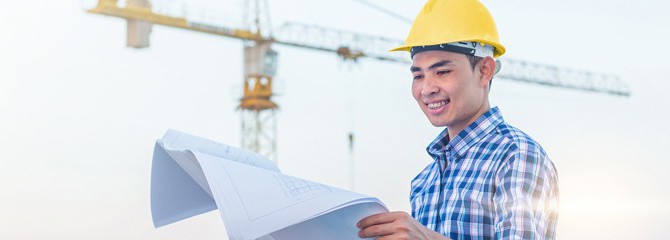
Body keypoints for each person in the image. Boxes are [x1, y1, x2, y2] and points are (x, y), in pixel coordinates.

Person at [356, 0, 559, 239]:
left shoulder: (516, 155)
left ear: (485, 70)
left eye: (442, 72)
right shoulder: (425, 181)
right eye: (418, 75)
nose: (427, 89)